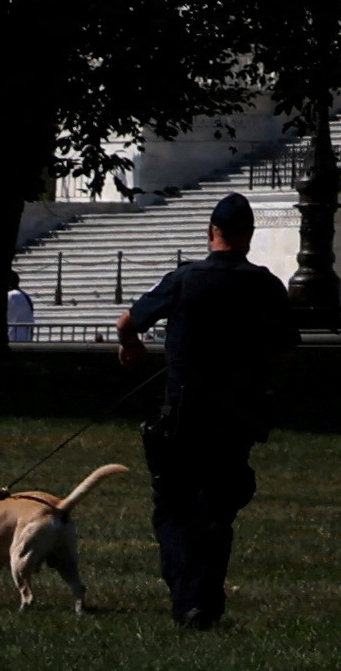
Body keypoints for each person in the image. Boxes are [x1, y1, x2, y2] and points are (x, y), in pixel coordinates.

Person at [112, 193, 308, 633]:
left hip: (183, 413)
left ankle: (188, 601)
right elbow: (284, 349)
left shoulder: (185, 279)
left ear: (210, 233)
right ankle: (207, 600)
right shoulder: (266, 285)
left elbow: (127, 323)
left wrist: (133, 349)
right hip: (237, 413)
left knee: (174, 509)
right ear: (249, 238)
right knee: (217, 510)